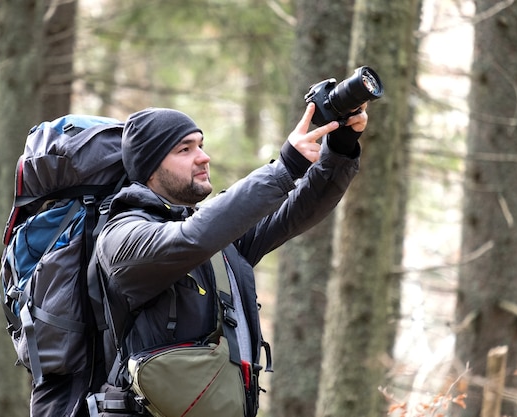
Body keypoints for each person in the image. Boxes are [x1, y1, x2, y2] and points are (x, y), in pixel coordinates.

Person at [93, 101, 368, 416]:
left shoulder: (219, 236)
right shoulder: (121, 236)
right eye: (185, 150)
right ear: (150, 167)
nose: (203, 157)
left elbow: (298, 207)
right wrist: (285, 167)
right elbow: (189, 239)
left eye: (201, 145)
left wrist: (341, 146)